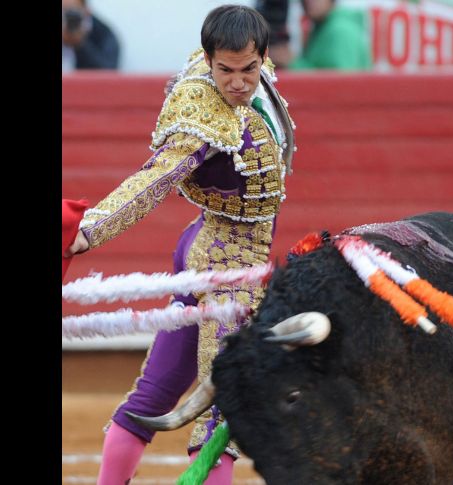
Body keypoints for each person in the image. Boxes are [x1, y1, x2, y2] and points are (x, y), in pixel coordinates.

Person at [65, 5, 295, 484]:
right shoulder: (200, 116)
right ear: (208, 61)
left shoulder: (257, 75)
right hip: (226, 268)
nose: (237, 83)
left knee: (156, 395)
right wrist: (87, 230)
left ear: (264, 57)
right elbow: (155, 178)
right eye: (225, 71)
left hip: (213, 253)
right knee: (219, 421)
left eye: (248, 69)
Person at [290, 0, 372, 70]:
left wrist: (293, 63)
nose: (308, 1)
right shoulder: (321, 28)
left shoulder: (340, 31)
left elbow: (338, 83)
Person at [62, 0, 120, 71]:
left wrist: (80, 44)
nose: (66, 18)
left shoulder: (103, 34)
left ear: (86, 11)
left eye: (72, 12)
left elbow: (108, 72)